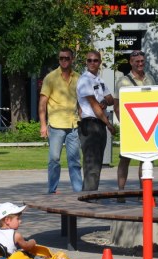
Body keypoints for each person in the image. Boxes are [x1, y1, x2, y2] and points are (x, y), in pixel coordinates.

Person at [39, 47, 82, 194]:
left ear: (72, 59)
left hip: (73, 125)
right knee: (54, 159)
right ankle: (52, 190)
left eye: (66, 58)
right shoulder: (50, 78)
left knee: (75, 161)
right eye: (61, 58)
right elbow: (42, 103)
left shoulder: (78, 78)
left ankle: (78, 191)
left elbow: (81, 102)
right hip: (56, 125)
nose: (63, 61)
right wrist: (43, 125)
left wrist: (83, 120)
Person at [114, 50, 156, 192]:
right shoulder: (123, 82)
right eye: (137, 61)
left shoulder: (150, 79)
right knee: (125, 159)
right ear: (131, 62)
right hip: (130, 127)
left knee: (145, 160)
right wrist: (124, 125)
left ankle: (143, 192)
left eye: (142, 61)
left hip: (148, 126)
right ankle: (121, 192)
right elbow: (117, 106)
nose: (140, 64)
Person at [77, 50, 115, 191]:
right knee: (91, 165)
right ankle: (88, 198)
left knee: (96, 164)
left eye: (95, 60)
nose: (92, 63)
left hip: (99, 124)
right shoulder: (84, 80)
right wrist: (108, 124)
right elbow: (94, 105)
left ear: (100, 62)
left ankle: (89, 195)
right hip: (90, 124)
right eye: (89, 60)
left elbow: (110, 99)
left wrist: (104, 101)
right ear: (86, 62)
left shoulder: (99, 80)